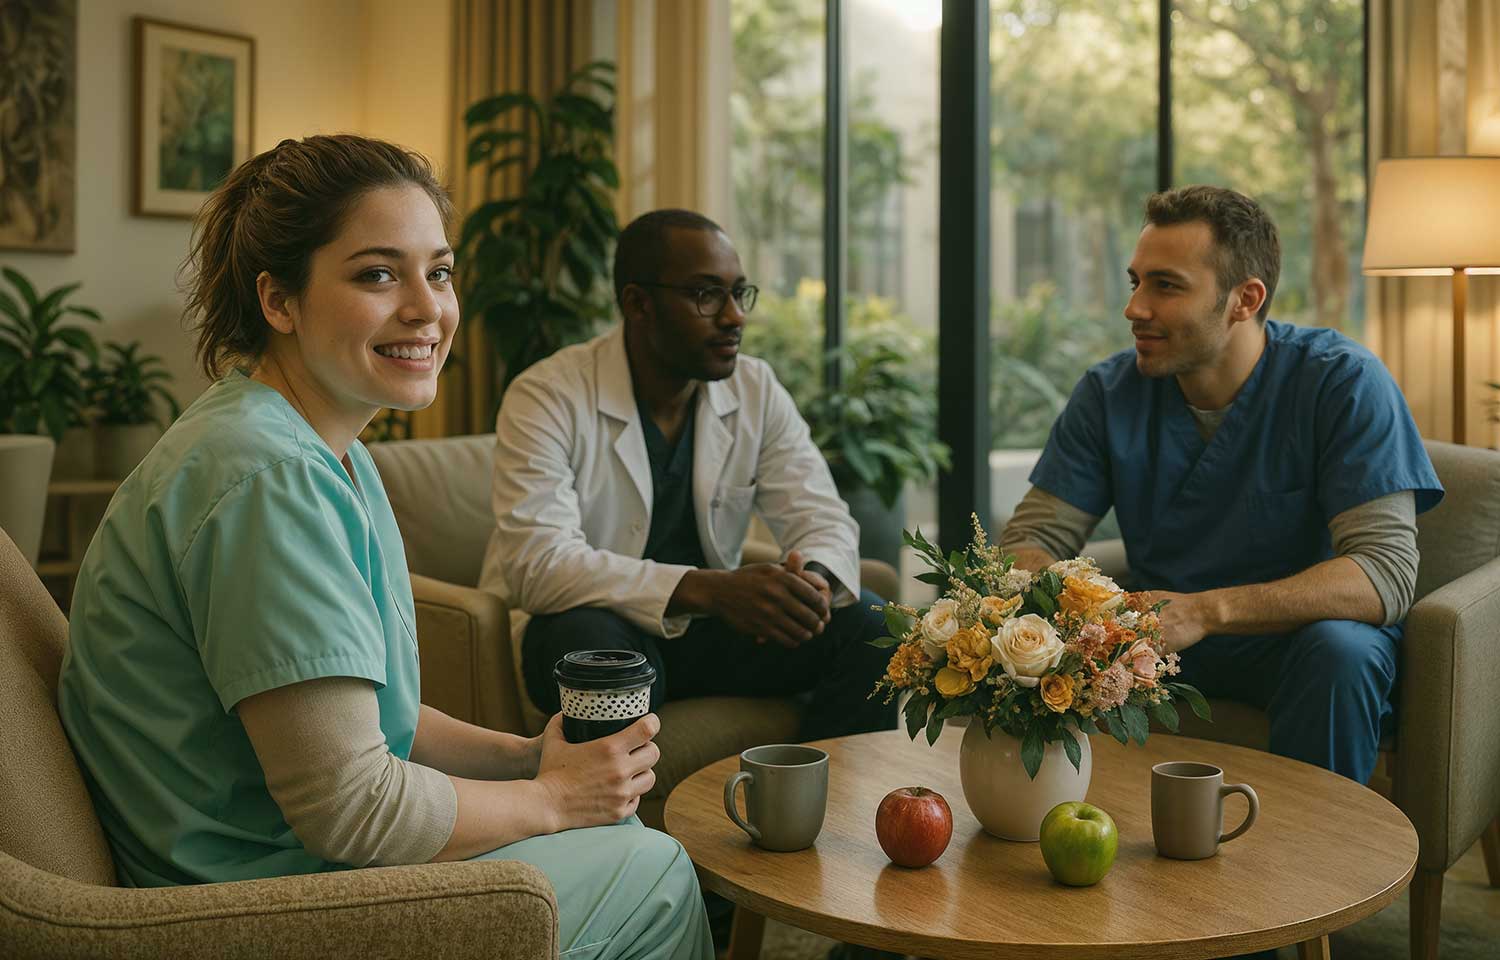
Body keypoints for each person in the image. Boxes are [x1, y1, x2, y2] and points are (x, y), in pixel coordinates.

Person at [57, 135, 711, 960]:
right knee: (649, 867)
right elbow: (352, 807)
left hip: (286, 864)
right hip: (246, 910)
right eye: (376, 273)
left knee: (625, 850)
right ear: (279, 300)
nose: (426, 308)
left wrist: (523, 759)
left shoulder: (324, 451)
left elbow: (371, 720)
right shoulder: (267, 476)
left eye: (437, 271)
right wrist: (552, 801)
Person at [1000, 185, 1442, 788]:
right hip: (1157, 647)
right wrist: (1072, 605)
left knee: (1343, 653)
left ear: (1244, 299)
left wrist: (1208, 610)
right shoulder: (1108, 394)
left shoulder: (1343, 383)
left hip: (1295, 647)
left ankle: (1317, 875)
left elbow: (1383, 574)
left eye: (1166, 285)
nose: (1134, 307)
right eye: (1135, 282)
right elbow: (1031, 537)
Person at [480, 209, 896, 744]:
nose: (733, 317)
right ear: (638, 304)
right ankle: (611, 825)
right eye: (706, 295)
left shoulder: (756, 388)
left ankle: (815, 805)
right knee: (597, 652)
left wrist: (809, 582)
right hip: (595, 626)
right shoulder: (547, 395)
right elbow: (538, 566)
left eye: (739, 294)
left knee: (875, 627)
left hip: (705, 636)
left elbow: (821, 514)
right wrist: (710, 590)